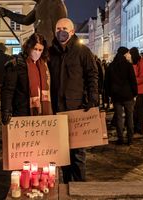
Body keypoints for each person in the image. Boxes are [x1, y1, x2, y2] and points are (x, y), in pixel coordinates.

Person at [49, 18, 99, 183]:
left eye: (64, 28)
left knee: (77, 153)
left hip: (77, 108)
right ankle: (65, 185)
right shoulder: (51, 52)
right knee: (62, 152)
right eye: (58, 28)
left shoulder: (82, 51)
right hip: (58, 109)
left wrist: (92, 97)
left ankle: (78, 188)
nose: (60, 31)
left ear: (72, 31)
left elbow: (92, 75)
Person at [1, 33, 52, 125]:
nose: (37, 52)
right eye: (35, 49)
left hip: (42, 113)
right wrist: (6, 110)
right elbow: (8, 90)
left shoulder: (44, 65)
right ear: (28, 47)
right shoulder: (17, 64)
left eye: (40, 50)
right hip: (22, 112)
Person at [0, 0, 67, 46]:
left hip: (51, 49)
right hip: (41, 46)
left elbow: (61, 29)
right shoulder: (39, 4)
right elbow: (25, 20)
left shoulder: (55, 2)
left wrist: (59, 49)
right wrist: (6, 13)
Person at [105, 47, 138, 145]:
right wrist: (135, 93)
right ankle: (130, 139)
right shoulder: (128, 65)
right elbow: (133, 81)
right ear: (124, 54)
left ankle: (121, 139)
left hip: (116, 96)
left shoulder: (111, 66)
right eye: (128, 53)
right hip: (128, 95)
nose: (129, 55)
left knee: (119, 118)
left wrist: (109, 95)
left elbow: (107, 83)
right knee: (129, 117)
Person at [130, 47, 143, 138]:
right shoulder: (135, 62)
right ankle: (135, 129)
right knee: (135, 111)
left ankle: (139, 131)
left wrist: (132, 80)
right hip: (135, 90)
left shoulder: (142, 62)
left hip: (140, 90)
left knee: (139, 112)